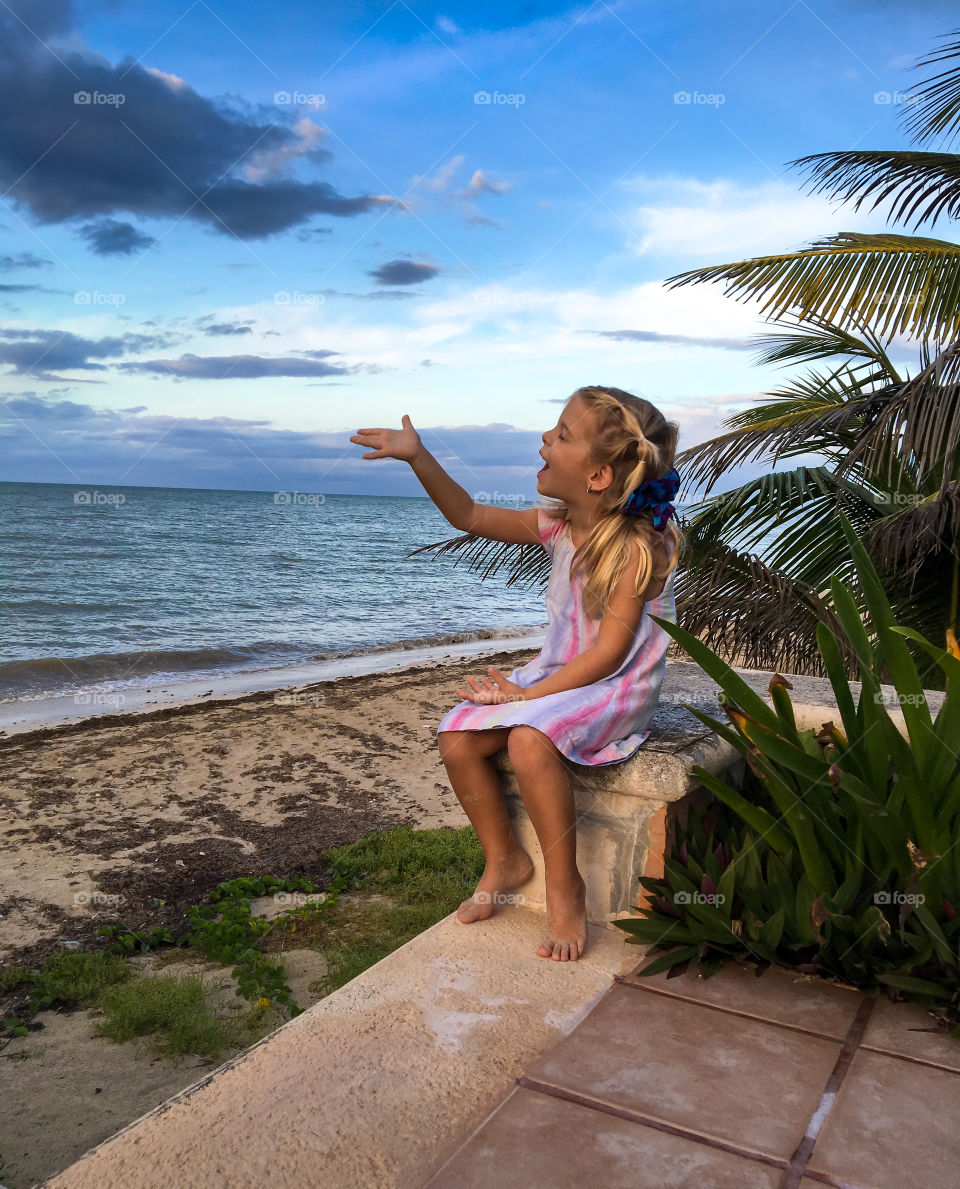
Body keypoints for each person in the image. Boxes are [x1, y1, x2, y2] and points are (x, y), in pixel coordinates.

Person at [349, 384, 684, 963]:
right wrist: (418, 456)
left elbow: (608, 656)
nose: (544, 441)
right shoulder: (556, 524)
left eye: (561, 435)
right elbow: (468, 515)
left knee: (530, 741)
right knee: (456, 736)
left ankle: (564, 886)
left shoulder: (634, 548)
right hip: (560, 674)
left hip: (617, 685)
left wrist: (522, 699)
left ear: (598, 476)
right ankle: (504, 858)